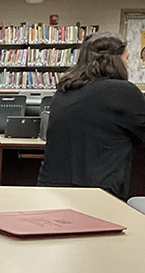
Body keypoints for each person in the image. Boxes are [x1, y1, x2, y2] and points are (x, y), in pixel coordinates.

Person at [38, 31, 145, 200]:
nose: (128, 65)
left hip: (52, 190)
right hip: (98, 194)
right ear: (115, 60)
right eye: (127, 59)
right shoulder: (122, 91)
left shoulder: (64, 90)